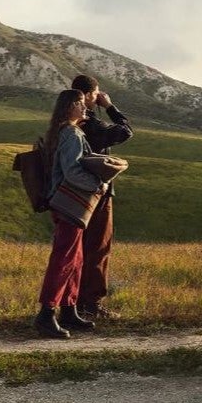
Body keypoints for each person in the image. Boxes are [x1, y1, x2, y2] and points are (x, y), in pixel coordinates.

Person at [36, 89, 107, 338]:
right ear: (69, 108)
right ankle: (47, 313)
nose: (85, 107)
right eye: (80, 104)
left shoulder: (63, 132)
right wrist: (98, 184)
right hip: (70, 205)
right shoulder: (72, 134)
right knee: (64, 259)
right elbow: (72, 172)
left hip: (64, 204)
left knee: (75, 259)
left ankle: (69, 310)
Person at [70, 75, 133, 319]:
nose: (98, 98)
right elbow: (125, 131)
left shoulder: (68, 123)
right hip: (97, 191)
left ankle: (73, 300)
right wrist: (110, 107)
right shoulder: (90, 123)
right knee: (98, 246)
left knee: (79, 248)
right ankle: (91, 303)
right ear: (87, 95)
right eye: (95, 94)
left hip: (74, 194)